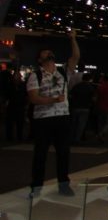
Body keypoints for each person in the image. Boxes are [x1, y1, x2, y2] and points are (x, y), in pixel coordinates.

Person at [27, 30, 80, 196]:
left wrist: (73, 39)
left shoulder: (63, 72)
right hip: (43, 119)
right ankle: (36, 186)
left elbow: (75, 57)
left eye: (50, 52)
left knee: (63, 153)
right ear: (39, 59)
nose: (49, 54)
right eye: (45, 53)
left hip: (62, 118)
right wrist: (54, 99)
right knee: (40, 154)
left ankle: (63, 184)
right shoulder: (35, 76)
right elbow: (34, 98)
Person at [68, 73, 95, 144]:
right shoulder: (90, 87)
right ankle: (77, 139)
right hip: (85, 108)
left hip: (75, 107)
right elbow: (93, 98)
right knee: (81, 125)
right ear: (89, 79)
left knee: (73, 124)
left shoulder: (76, 86)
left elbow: (70, 96)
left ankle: (71, 138)